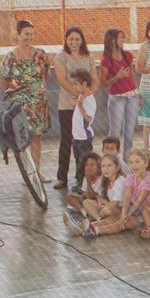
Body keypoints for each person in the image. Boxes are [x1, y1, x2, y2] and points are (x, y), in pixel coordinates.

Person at [0, 20, 51, 182]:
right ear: (18, 35)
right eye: (26, 34)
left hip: (38, 102)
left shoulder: (41, 54)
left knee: (37, 137)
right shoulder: (10, 57)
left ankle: (37, 172)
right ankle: (27, 174)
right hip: (20, 104)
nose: (29, 37)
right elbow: (3, 81)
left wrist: (39, 90)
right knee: (22, 138)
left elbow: (46, 74)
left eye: (31, 34)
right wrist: (16, 91)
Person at [52, 26, 97, 190]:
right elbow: (62, 79)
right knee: (66, 140)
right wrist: (76, 95)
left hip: (83, 106)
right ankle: (61, 177)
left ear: (82, 40)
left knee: (82, 141)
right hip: (67, 104)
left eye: (77, 39)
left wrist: (86, 96)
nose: (74, 42)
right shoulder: (60, 57)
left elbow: (94, 80)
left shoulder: (88, 58)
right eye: (71, 39)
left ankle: (83, 178)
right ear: (66, 40)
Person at [100, 28, 140, 156]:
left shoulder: (127, 55)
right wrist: (118, 77)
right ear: (112, 41)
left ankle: (128, 164)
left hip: (133, 96)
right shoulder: (106, 60)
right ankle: (111, 161)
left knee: (129, 133)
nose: (123, 40)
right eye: (120, 37)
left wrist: (138, 94)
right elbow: (103, 83)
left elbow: (132, 75)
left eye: (123, 37)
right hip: (117, 98)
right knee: (115, 133)